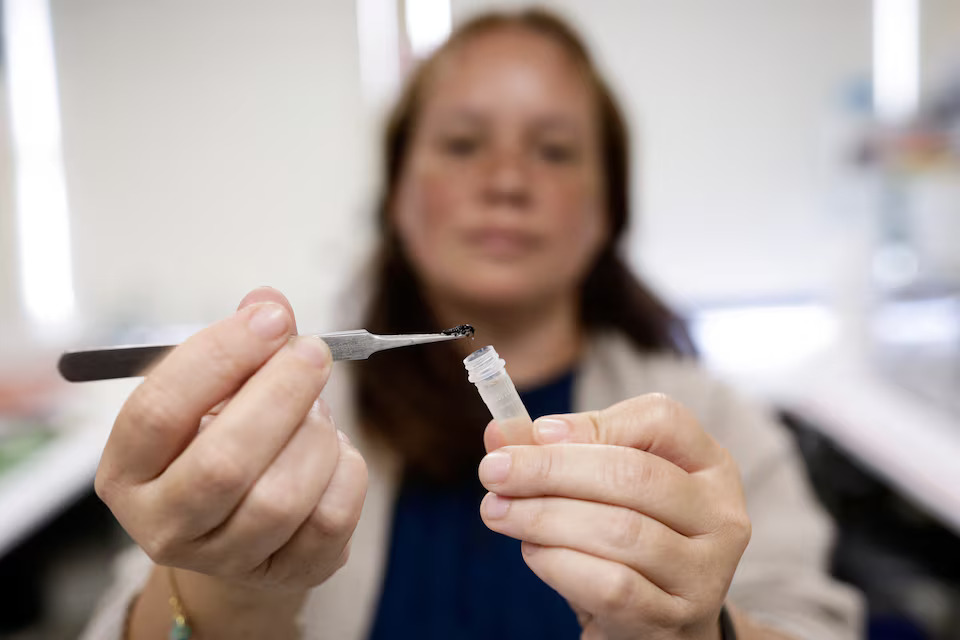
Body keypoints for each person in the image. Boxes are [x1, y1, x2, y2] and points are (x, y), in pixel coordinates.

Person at [81, 9, 861, 640]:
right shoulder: (277, 427)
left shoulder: (713, 427)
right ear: (397, 196)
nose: (508, 180)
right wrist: (222, 594)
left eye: (554, 151)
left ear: (606, 210)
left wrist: (705, 629)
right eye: (461, 143)